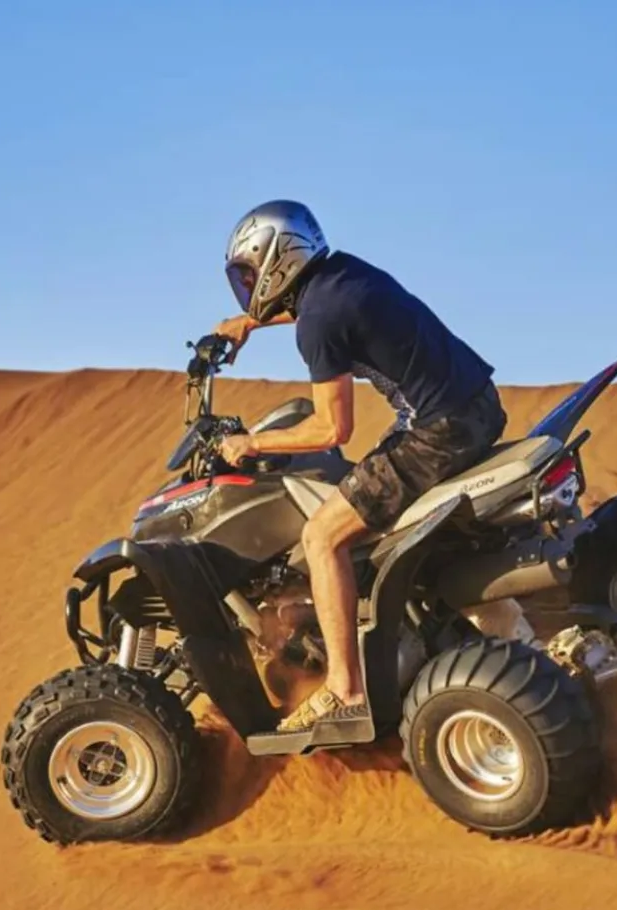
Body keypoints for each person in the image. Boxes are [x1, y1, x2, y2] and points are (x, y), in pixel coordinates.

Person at [210, 200, 507, 734]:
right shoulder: (344, 274)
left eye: (251, 273)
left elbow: (330, 430)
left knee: (324, 536)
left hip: (439, 432)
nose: (249, 283)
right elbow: (317, 310)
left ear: (278, 259)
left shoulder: (318, 323)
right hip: (479, 403)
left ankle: (344, 689)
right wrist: (251, 323)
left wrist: (251, 444)